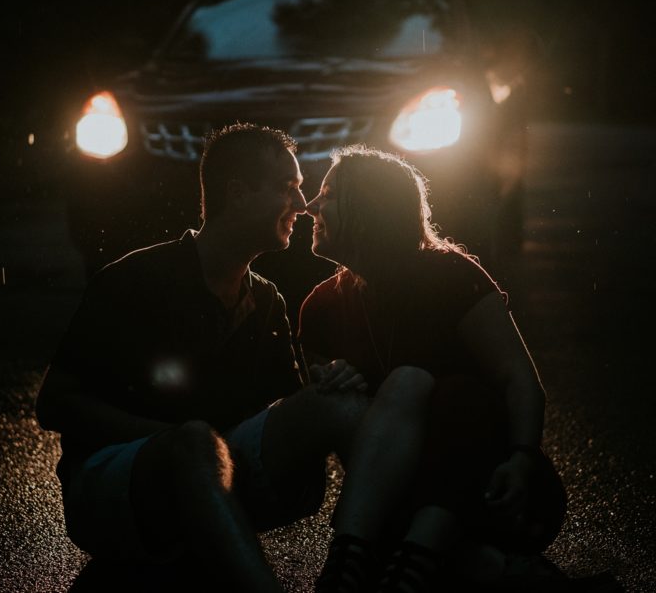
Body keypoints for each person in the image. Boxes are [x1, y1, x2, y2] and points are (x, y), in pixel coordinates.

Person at [35, 123, 369, 592]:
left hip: (216, 469)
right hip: (114, 491)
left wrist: (327, 382)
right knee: (195, 442)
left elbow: (288, 411)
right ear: (237, 193)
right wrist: (173, 441)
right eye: (288, 188)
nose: (303, 204)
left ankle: (381, 558)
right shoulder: (134, 279)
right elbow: (53, 404)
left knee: (342, 404)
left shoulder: (268, 300)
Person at [299, 145, 567, 592]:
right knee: (393, 388)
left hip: (498, 494)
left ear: (369, 206)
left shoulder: (450, 277)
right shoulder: (322, 307)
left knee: (449, 390)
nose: (310, 207)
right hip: (392, 506)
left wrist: (522, 459)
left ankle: (418, 560)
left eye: (327, 194)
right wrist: (324, 382)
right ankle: (402, 563)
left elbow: (520, 380)